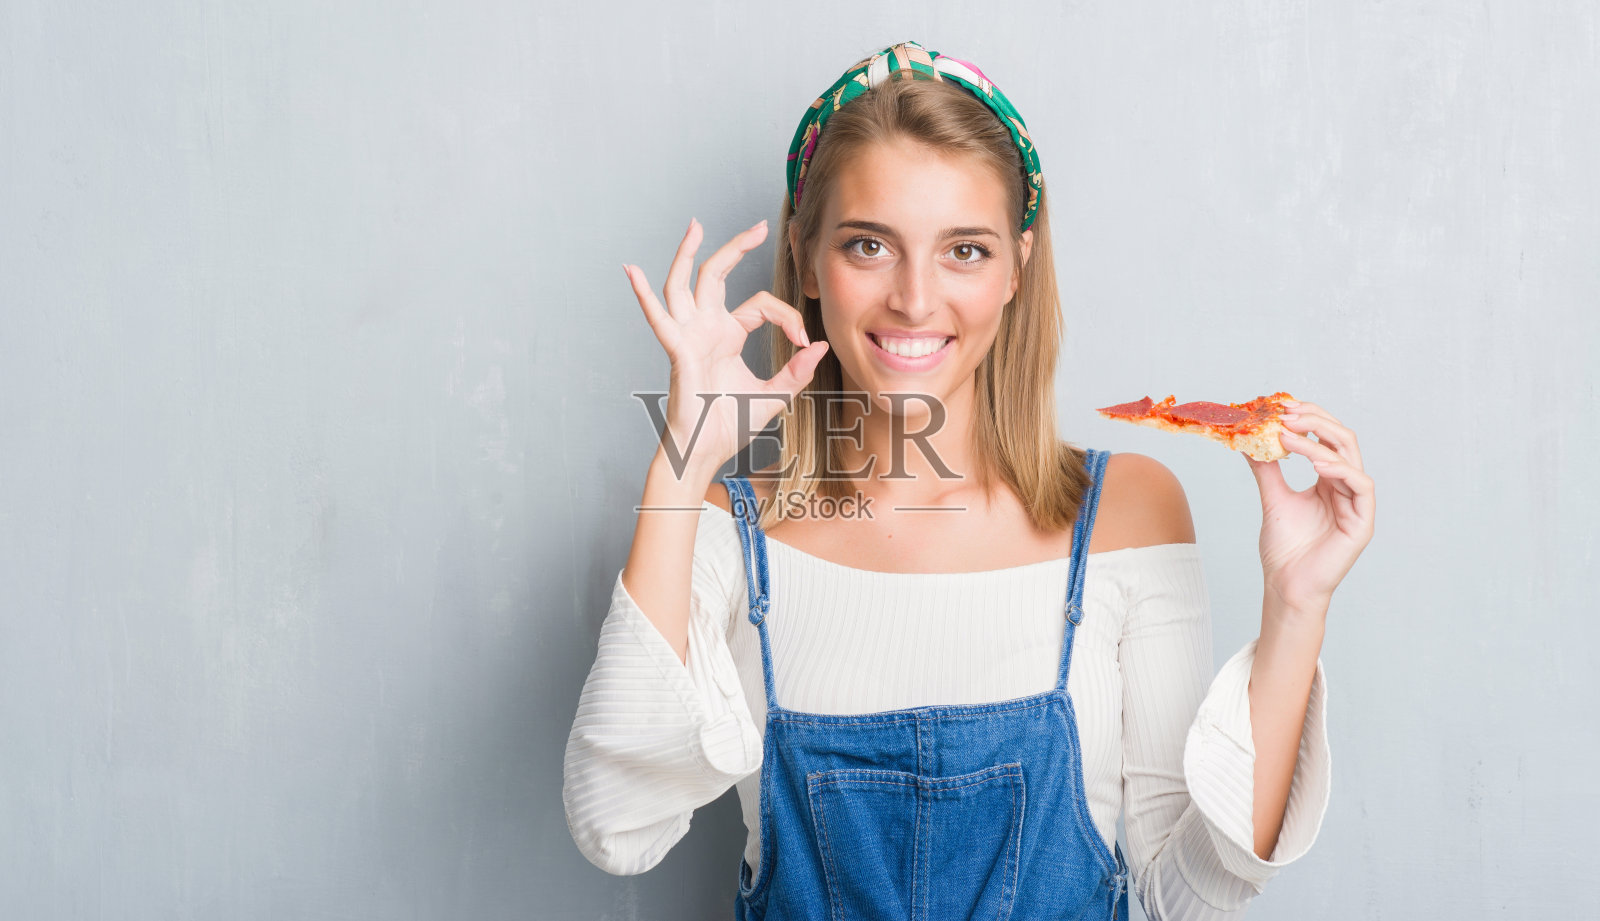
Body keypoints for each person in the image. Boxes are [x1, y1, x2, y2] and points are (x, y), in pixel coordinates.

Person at [564, 40, 1375, 920]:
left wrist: (1297, 606)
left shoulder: (1129, 512)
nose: (916, 299)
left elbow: (1190, 895)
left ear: (1018, 266)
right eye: (869, 244)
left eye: (965, 250)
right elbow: (618, 826)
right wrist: (682, 457)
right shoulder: (728, 530)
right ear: (804, 259)